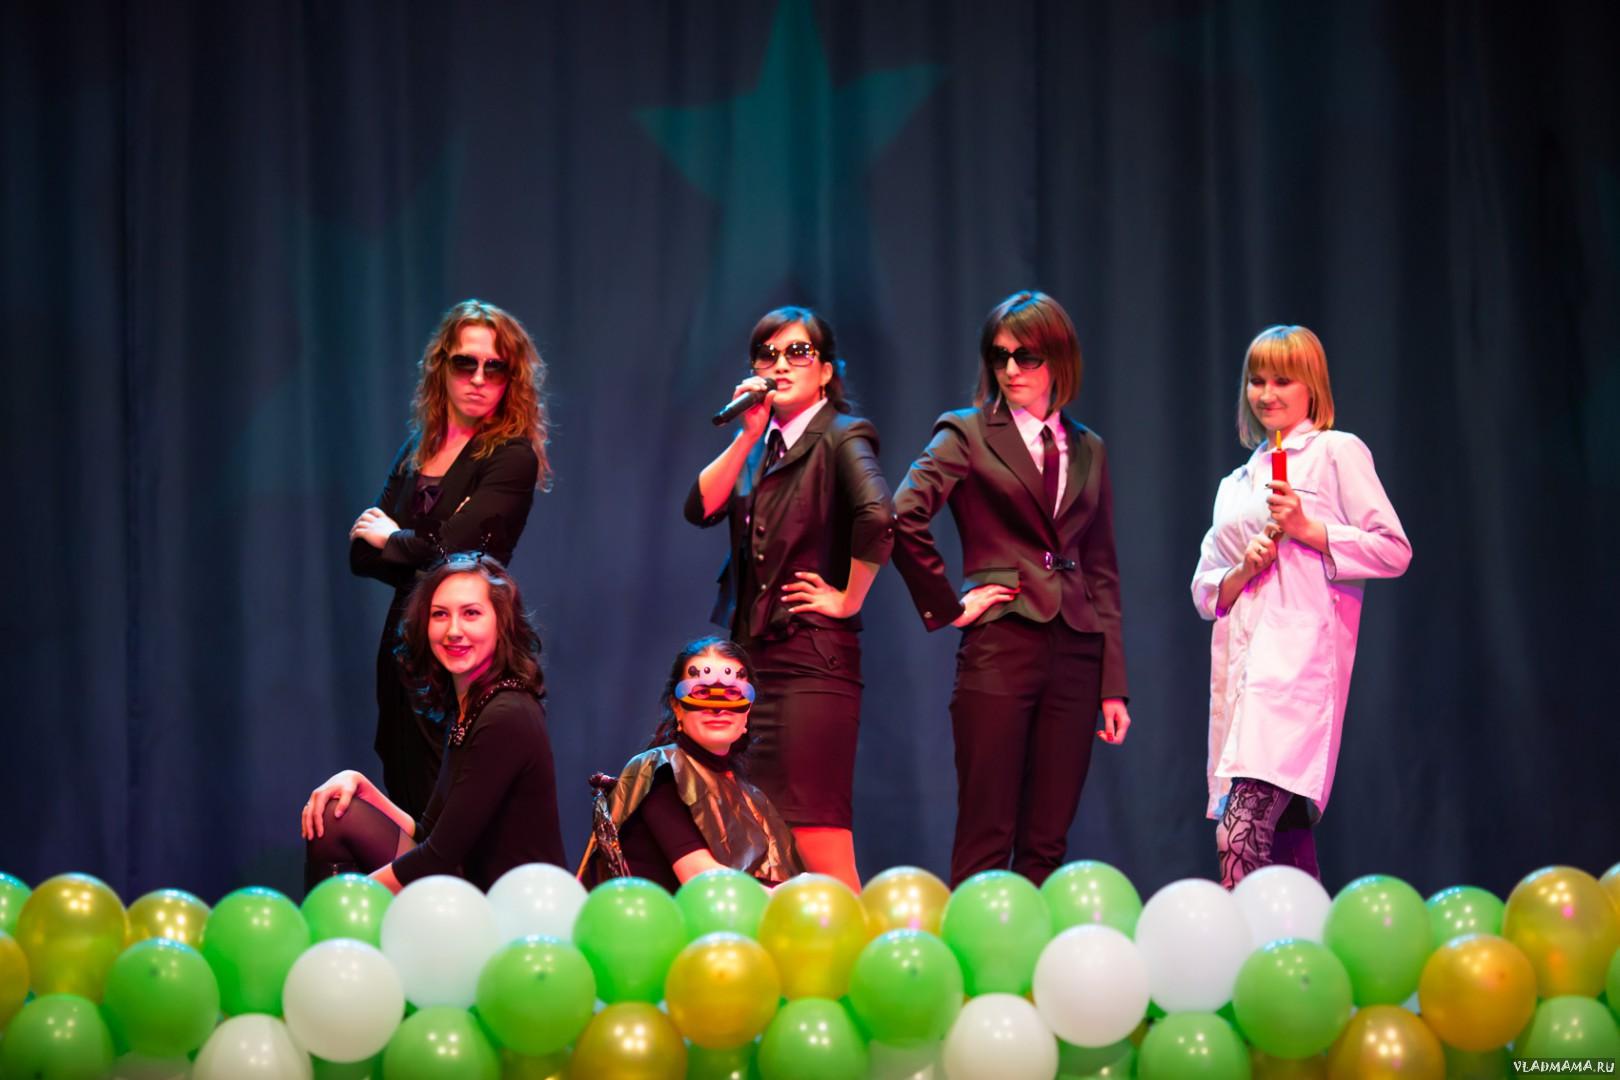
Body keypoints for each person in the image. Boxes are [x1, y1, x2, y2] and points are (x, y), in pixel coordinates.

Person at [892, 290, 1130, 887]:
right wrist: (949, 605)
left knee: (1047, 840)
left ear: (1058, 359)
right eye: (999, 356)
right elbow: (900, 515)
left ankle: (1032, 951)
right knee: (987, 830)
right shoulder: (968, 432)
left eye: (1026, 356)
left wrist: (1113, 686)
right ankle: (975, 949)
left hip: (1076, 649)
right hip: (1002, 644)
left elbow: (1101, 569)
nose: (1011, 369)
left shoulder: (1089, 448)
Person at [1190, 325, 1410, 888]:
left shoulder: (1336, 453)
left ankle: (1243, 944)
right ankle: (1303, 941)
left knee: (1239, 836)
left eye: (1282, 380)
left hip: (1295, 673)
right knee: (1285, 849)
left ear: (1311, 385)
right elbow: (1205, 589)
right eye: (1257, 381)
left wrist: (1310, 529)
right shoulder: (1235, 483)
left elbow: (1393, 549)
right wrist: (1243, 569)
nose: (1267, 394)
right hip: (1241, 677)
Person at [683, 307, 893, 893]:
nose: (780, 365)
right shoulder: (761, 445)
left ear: (825, 371)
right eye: (767, 354)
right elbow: (699, 508)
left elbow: (879, 517)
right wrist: (747, 435)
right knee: (762, 841)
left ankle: (859, 950)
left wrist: (848, 598)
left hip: (812, 666)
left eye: (798, 353)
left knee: (818, 835)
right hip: (757, 666)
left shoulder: (842, 434)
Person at [349, 299, 551, 819]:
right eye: (466, 363)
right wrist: (412, 544)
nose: (479, 378)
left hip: (465, 643)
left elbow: (452, 554)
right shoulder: (418, 448)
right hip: (405, 642)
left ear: (511, 378)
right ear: (442, 368)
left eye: (494, 367)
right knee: (405, 792)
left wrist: (396, 538)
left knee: (452, 804)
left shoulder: (511, 455)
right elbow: (363, 555)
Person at [301, 554, 565, 893]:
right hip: (468, 892)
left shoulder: (507, 715)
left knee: (337, 823)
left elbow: (436, 859)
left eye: (471, 613)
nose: (453, 631)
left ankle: (326, 921)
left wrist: (345, 899)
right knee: (337, 813)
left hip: (511, 911)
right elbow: (427, 833)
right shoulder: (472, 707)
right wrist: (364, 788)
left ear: (501, 623)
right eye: (440, 614)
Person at [578, 637, 802, 890]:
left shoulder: (754, 800)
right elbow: (700, 878)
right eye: (701, 692)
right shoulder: (659, 771)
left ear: (747, 710)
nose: (718, 708)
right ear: (677, 707)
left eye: (732, 693)